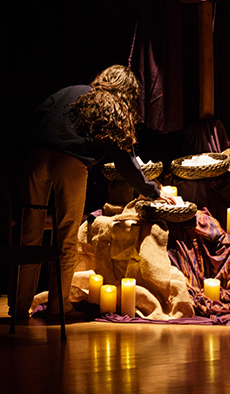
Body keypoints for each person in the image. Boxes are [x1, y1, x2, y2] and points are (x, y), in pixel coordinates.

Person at [10, 64, 175, 320]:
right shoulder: (113, 108)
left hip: (36, 158)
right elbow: (126, 162)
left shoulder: (71, 91)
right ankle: (58, 308)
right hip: (70, 164)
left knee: (27, 236)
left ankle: (18, 308)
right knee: (66, 238)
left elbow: (33, 120)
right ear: (127, 92)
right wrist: (152, 191)